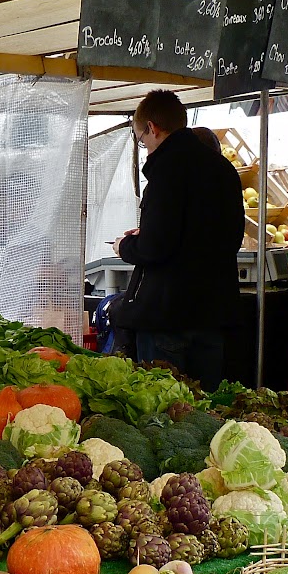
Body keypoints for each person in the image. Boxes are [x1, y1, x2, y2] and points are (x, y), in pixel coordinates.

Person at [115, 92, 243, 389]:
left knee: (166, 410)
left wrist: (125, 247)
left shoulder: (166, 171)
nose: (144, 146)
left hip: (169, 316)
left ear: (152, 128)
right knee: (207, 411)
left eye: (141, 138)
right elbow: (227, 238)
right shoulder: (224, 170)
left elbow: (156, 246)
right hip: (213, 313)